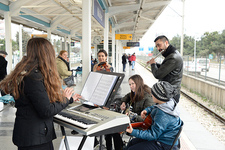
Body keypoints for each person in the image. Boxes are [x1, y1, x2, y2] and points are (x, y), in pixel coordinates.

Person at [0, 38, 81, 150]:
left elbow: (39, 100)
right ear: (46, 54)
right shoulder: (34, 77)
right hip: (35, 139)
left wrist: (69, 98)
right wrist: (66, 99)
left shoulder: (26, 71)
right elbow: (46, 111)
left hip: (29, 135)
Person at [126, 81, 182, 150]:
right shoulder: (167, 102)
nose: (151, 94)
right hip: (162, 136)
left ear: (159, 97)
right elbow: (155, 107)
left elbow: (153, 135)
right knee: (132, 143)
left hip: (164, 144)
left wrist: (133, 132)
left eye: (153, 93)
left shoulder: (163, 115)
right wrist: (147, 110)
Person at [93, 49, 123, 150]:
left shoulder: (110, 68)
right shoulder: (95, 67)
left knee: (113, 127)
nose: (101, 58)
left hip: (111, 99)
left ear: (106, 57)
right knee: (105, 128)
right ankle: (109, 147)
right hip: (101, 97)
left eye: (103, 56)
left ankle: (118, 147)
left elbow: (112, 86)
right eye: (99, 56)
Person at [147, 35, 183, 103]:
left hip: (170, 93)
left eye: (159, 45)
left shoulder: (173, 57)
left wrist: (153, 64)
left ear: (166, 43)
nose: (158, 48)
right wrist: (155, 64)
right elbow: (166, 68)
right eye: (156, 46)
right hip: (168, 91)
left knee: (164, 113)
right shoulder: (172, 54)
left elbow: (158, 75)